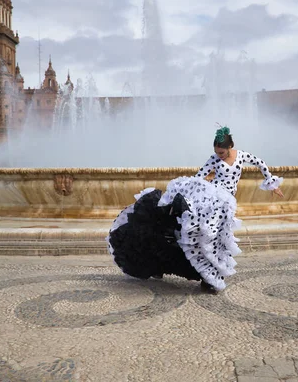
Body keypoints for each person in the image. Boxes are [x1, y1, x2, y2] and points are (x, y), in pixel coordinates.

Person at [107, 126, 284, 294]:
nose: (219, 156)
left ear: (230, 146)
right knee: (204, 234)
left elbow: (260, 163)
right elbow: (200, 175)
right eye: (216, 152)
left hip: (227, 202)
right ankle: (202, 275)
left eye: (222, 152)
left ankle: (211, 276)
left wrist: (272, 184)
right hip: (212, 197)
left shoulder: (241, 156)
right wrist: (185, 188)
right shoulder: (214, 159)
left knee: (217, 236)